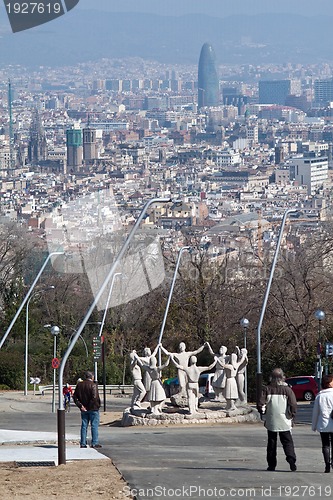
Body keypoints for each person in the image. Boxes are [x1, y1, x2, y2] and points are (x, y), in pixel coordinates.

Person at [258, 368, 297, 472]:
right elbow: (293, 404)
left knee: (271, 443)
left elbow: (261, 404)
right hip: (285, 419)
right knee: (287, 441)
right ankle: (291, 459)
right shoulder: (288, 390)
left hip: (271, 420)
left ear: (271, 377)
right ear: (282, 377)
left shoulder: (266, 389)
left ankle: (271, 465)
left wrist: (263, 413)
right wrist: (292, 415)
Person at [73, 371, 101, 449]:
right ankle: (94, 442)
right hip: (93, 408)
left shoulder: (79, 385)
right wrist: (89, 406)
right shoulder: (93, 385)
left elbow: (75, 396)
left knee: (84, 426)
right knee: (94, 425)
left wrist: (81, 406)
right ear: (92, 377)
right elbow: (94, 397)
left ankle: (83, 443)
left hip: (83, 409)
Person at [311, 374, 333, 473]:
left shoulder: (320, 396)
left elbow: (316, 412)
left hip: (323, 424)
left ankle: (327, 465)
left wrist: (314, 426)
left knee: (325, 445)